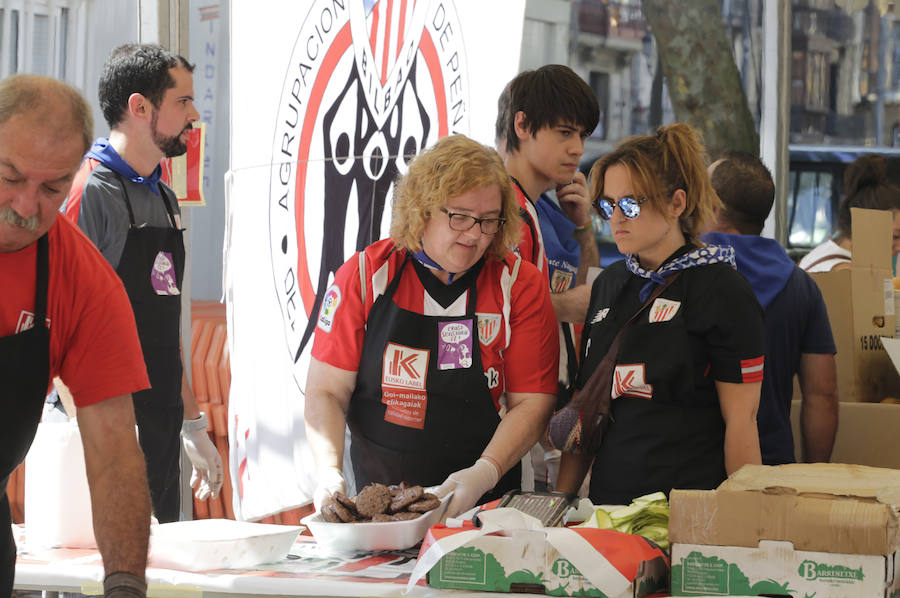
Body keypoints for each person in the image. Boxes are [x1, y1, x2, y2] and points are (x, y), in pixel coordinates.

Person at [305, 135, 559, 518]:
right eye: (460, 217)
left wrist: (483, 473)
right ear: (421, 209)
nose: (474, 234)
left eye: (489, 220)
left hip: (488, 503)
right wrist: (328, 473)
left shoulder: (518, 284)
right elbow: (326, 390)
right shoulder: (365, 276)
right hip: (379, 508)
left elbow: (533, 403)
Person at [556, 124, 765, 505]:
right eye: (607, 205)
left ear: (676, 203)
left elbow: (741, 421)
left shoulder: (723, 289)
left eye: (630, 205)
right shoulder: (610, 284)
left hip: (686, 513)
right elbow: (587, 411)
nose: (616, 218)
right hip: (608, 512)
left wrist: (744, 520)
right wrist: (559, 502)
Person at [0, 75, 151, 597]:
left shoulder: (83, 282)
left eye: (52, 189)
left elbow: (114, 457)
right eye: (10, 177)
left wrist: (125, 584)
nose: (25, 207)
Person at [63, 43, 222, 523]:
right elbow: (61, 332)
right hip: (108, 429)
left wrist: (192, 422)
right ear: (139, 107)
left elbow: (161, 329)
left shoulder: (166, 199)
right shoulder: (91, 192)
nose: (194, 115)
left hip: (159, 422)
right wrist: (102, 441)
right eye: (182, 101)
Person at [496, 66, 600, 490]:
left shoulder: (547, 209)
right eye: (564, 133)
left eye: (583, 136)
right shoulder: (496, 206)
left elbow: (580, 293)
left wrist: (585, 229)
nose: (577, 149)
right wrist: (561, 305)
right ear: (522, 125)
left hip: (544, 408)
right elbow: (490, 308)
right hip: (509, 412)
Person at [702, 151, 838, 464]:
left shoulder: (680, 274)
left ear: (712, 206)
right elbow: (822, 395)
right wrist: (814, 475)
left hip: (687, 470)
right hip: (771, 467)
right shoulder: (800, 286)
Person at [799, 155, 900, 272]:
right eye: (895, 236)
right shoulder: (847, 272)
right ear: (867, 224)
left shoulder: (824, 252)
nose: (899, 247)